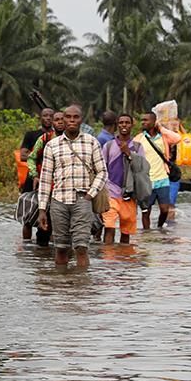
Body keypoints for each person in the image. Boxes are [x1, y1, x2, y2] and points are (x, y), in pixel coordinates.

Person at [36, 104, 106, 267]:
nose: (72, 120)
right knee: (60, 247)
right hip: (58, 201)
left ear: (81, 120)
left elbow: (102, 172)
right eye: (68, 117)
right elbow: (45, 179)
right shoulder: (52, 145)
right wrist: (41, 209)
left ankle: (81, 286)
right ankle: (63, 287)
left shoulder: (91, 142)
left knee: (81, 247)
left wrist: (90, 194)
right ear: (63, 119)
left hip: (83, 200)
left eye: (76, 117)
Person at [100, 113, 144, 244]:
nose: (124, 125)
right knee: (109, 228)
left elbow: (141, 169)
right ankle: (108, 260)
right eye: (121, 123)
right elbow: (102, 169)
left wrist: (128, 154)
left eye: (127, 122)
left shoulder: (138, 147)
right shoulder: (108, 146)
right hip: (111, 193)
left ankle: (124, 260)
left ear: (132, 125)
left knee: (126, 232)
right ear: (117, 125)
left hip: (129, 195)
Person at [18, 108, 55, 241]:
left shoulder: (57, 137)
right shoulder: (32, 135)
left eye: (51, 116)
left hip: (51, 180)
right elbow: (23, 155)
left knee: (51, 215)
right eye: (45, 115)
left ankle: (46, 248)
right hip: (32, 179)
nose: (48, 118)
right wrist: (41, 156)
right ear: (40, 117)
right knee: (28, 215)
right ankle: (26, 245)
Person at [139, 111, 180, 229]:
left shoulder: (163, 137)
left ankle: (159, 228)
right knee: (146, 211)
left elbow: (177, 138)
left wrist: (161, 128)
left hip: (162, 179)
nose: (143, 122)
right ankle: (146, 233)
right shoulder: (140, 138)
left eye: (146, 120)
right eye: (142, 120)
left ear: (154, 122)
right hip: (147, 181)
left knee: (164, 209)